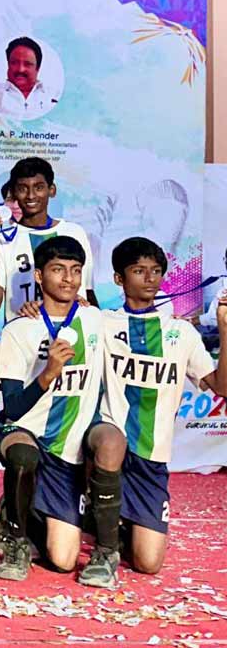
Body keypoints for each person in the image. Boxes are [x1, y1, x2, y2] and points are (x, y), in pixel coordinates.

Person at [0, 236, 123, 588]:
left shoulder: (95, 319)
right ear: (38, 276)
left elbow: (139, 317)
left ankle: (104, 551)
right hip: (25, 431)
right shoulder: (19, 329)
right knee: (23, 456)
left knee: (63, 560)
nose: (68, 278)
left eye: (75, 270)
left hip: (71, 444)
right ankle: (16, 542)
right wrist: (48, 373)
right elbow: (14, 408)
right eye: (58, 270)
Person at [100, 238, 227, 575]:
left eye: (156, 271)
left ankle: (123, 527)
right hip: (108, 453)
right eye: (139, 271)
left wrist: (225, 329)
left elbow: (221, 386)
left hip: (152, 458)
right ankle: (97, 532)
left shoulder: (181, 332)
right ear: (119, 278)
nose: (149, 278)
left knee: (148, 563)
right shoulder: (102, 323)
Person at [0, 157, 96, 323]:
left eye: (39, 187)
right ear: (13, 192)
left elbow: (88, 291)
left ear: (52, 190)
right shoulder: (1, 238)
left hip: (73, 328)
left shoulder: (74, 232)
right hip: (23, 331)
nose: (31, 195)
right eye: (23, 189)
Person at [0, 36, 58, 120]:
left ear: (37, 68)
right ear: (8, 64)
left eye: (27, 64)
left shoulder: (53, 97)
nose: (20, 69)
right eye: (14, 63)